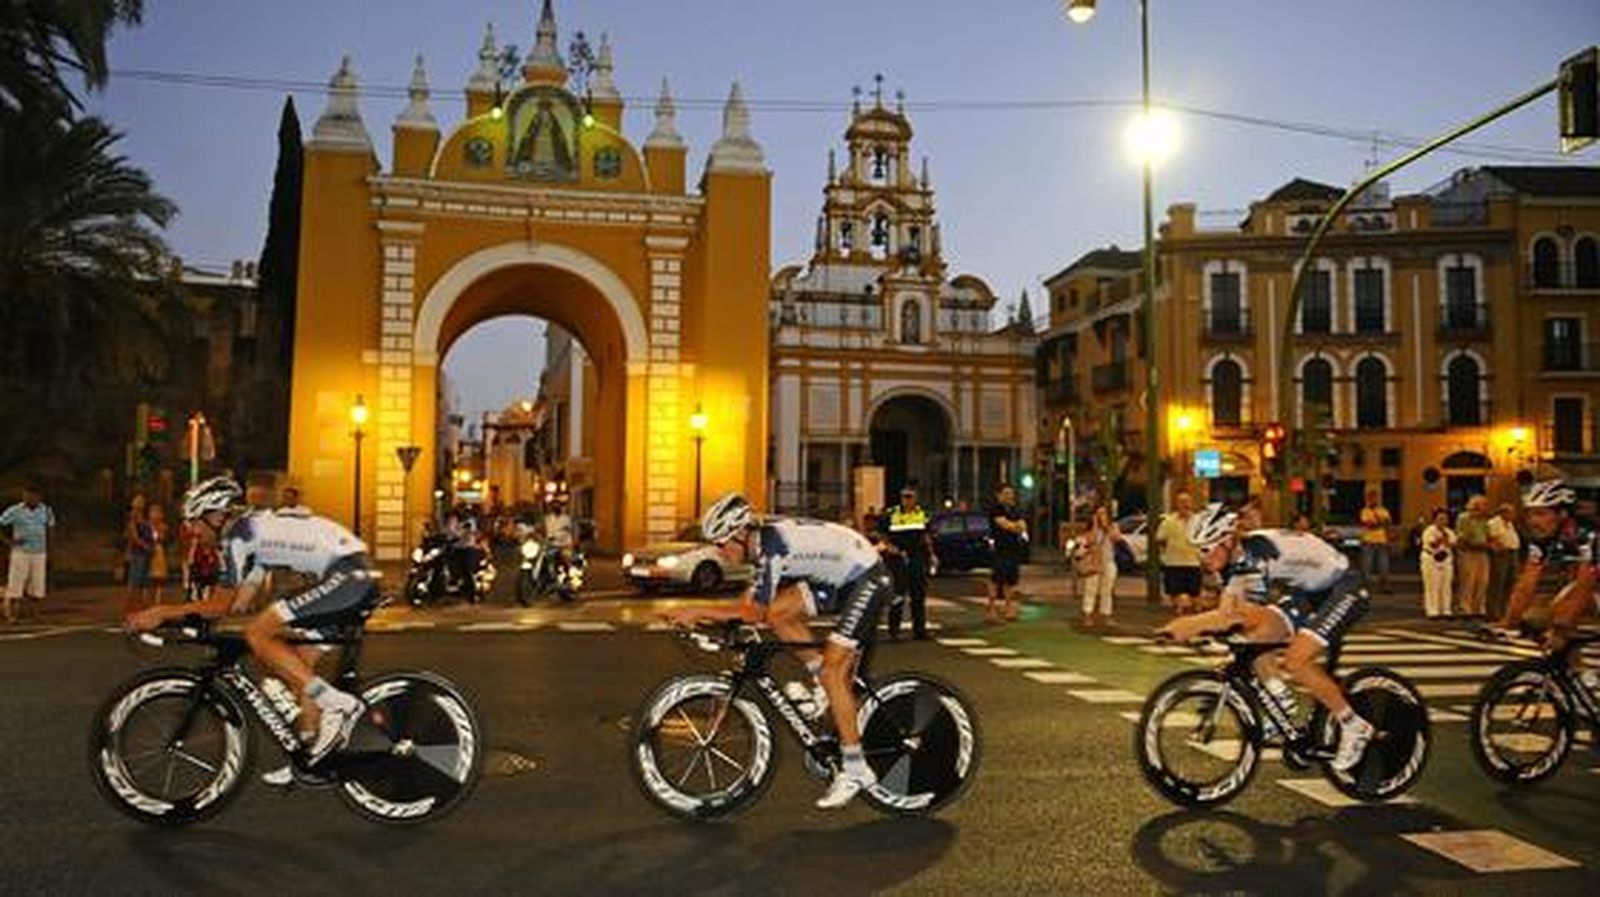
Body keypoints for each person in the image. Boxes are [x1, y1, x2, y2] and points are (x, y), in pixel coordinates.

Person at [125, 477, 378, 782]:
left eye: (194, 522)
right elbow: (239, 602)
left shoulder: (239, 537)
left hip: (349, 574)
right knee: (296, 666)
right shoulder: (253, 536)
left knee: (258, 633)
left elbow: (221, 605)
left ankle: (339, 704)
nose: (192, 531)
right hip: (352, 575)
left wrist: (162, 612)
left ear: (215, 516)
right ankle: (311, 756)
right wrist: (188, 619)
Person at [662, 493, 892, 810]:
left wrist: (698, 611)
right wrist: (716, 617)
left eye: (722, 542)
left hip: (866, 578)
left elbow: (751, 612)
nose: (720, 552)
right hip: (838, 576)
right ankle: (822, 685)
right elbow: (755, 603)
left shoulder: (772, 548)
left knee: (833, 672)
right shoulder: (761, 545)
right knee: (779, 613)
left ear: (742, 534)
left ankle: (855, 768)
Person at [1158, 503, 1376, 771]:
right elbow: (1233, 611)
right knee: (1255, 642)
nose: (1202, 558)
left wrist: (1189, 624)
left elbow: (1234, 615)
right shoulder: (1234, 557)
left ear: (1226, 540)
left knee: (1296, 660)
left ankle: (1355, 725)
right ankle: (1281, 703)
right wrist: (1205, 625)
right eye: (1198, 550)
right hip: (1307, 592)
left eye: (1205, 549)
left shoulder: (1254, 559)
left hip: (1345, 587)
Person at [1488, 481, 1599, 657]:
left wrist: (1561, 628)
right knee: (1538, 618)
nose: (1533, 521)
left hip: (1592, 581)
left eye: (1540, 514)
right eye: (1530, 514)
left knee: (1561, 618)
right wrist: (1508, 621)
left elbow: (1584, 586)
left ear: (1562, 514)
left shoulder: (1589, 534)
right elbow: (1527, 581)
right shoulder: (1543, 538)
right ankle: (1572, 676)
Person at [878, 486, 934, 640]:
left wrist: (932, 554)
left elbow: (926, 535)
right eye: (904, 497)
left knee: (918, 594)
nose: (907, 500)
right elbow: (882, 535)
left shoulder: (922, 513)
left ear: (916, 498)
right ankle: (894, 631)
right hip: (897, 558)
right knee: (898, 594)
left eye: (910, 497)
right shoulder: (891, 514)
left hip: (917, 556)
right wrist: (890, 547)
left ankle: (920, 630)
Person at [1, 486, 55, 624]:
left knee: (37, 585)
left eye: (33, 495)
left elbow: (50, 529)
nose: (29, 498)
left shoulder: (46, 510)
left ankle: (36, 615)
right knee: (16, 584)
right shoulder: (15, 510)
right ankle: (13, 615)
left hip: (39, 552)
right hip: (21, 552)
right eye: (26, 495)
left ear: (39, 496)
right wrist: (8, 542)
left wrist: (50, 550)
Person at [1072, 504, 1123, 629]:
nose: (1102, 517)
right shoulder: (1090, 531)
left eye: (1104, 514)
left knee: (1107, 590)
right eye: (1099, 514)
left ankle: (1106, 615)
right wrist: (1095, 525)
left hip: (1108, 562)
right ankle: (1088, 614)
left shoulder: (1113, 527)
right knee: (1091, 589)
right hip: (1094, 563)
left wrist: (1107, 528)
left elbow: (1117, 538)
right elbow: (1091, 540)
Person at [1154, 490, 1202, 615]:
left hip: (1193, 561)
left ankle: (1196, 612)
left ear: (1191, 503)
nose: (1185, 504)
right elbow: (1160, 539)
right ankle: (1178, 610)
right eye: (1181, 502)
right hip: (1173, 561)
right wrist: (1164, 555)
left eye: (1187, 501)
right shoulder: (1169, 521)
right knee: (1174, 590)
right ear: (1177, 504)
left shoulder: (1199, 520)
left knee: (1194, 592)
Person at [986, 484, 1028, 623]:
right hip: (1000, 548)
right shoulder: (996, 509)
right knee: (996, 579)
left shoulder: (1016, 509)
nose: (1010, 496)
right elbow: (1004, 525)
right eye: (1006, 493)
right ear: (998, 495)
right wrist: (1015, 526)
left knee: (1011, 580)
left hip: (1013, 549)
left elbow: (1023, 526)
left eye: (1011, 493)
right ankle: (991, 610)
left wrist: (1015, 527)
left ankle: (1009, 609)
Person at [1454, 495, 1492, 619]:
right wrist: (1481, 544)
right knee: (1468, 581)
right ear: (1476, 506)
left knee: (1483, 581)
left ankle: (1479, 608)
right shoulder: (1464, 518)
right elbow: (1462, 538)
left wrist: (1489, 543)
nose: (1486, 508)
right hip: (1468, 552)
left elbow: (1487, 534)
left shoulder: (1484, 520)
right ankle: (1466, 608)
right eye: (1484, 505)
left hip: (1482, 552)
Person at [1486, 503, 1521, 622]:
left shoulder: (1510, 524)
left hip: (1513, 553)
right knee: (1498, 583)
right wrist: (1499, 548)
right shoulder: (1494, 523)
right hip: (1501, 554)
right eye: (1511, 513)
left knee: (1511, 582)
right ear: (1503, 512)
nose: (1513, 515)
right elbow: (1492, 539)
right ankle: (1494, 612)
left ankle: (1505, 610)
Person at [1420, 509, 1456, 620]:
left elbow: (1453, 543)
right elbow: (1433, 544)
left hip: (1446, 559)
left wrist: (1446, 538)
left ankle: (1446, 609)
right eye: (1440, 519)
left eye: (1445, 519)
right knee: (1432, 585)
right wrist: (1441, 539)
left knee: (1446, 585)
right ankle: (1432, 610)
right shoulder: (1429, 531)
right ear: (1434, 519)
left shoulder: (1449, 531)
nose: (1443, 521)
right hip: (1431, 558)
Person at [1357, 490, 1393, 592]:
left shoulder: (1383, 510)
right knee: (1366, 565)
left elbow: (1387, 525)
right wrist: (1380, 522)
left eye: (1374, 497)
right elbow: (1369, 525)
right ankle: (1366, 587)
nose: (1373, 499)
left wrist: (1388, 537)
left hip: (1382, 541)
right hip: (1368, 541)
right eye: (1370, 497)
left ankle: (1385, 587)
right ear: (1367, 499)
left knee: (1384, 565)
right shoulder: (1364, 511)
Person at [123, 494, 153, 614]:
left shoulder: (144, 519)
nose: (141, 503)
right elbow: (134, 537)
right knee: (135, 579)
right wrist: (146, 546)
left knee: (144, 580)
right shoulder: (133, 520)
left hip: (146, 553)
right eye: (138, 501)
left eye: (142, 501)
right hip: (138, 553)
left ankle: (142, 606)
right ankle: (131, 607)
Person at [147, 503, 171, 605]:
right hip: (148, 550)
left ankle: (158, 597)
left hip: (159, 550)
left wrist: (160, 533)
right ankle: (148, 596)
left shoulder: (163, 527)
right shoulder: (146, 525)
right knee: (148, 575)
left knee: (159, 577)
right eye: (153, 512)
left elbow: (164, 539)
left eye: (157, 512)